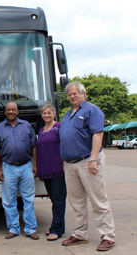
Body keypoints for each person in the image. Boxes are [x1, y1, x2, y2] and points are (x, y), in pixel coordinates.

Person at [59, 82, 116, 251]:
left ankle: (108, 236)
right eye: (69, 94)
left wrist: (93, 159)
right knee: (76, 202)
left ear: (83, 93)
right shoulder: (67, 114)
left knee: (98, 200)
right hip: (70, 164)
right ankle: (80, 234)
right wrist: (65, 161)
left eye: (75, 93)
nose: (72, 96)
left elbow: (98, 134)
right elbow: (66, 139)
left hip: (87, 161)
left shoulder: (92, 110)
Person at [0, 102, 39, 240]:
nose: (11, 112)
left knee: (28, 199)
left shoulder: (27, 125)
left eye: (13, 110)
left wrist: (35, 165)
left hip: (26, 167)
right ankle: (13, 229)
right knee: (9, 201)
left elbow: (34, 146)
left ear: (17, 112)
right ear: (5, 112)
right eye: (8, 110)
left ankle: (30, 229)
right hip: (8, 168)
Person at [34, 104, 66, 241]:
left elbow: (65, 144)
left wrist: (65, 163)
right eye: (44, 113)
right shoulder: (41, 130)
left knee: (59, 200)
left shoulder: (59, 127)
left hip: (58, 169)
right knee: (54, 199)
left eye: (49, 113)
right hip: (46, 170)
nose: (47, 115)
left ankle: (56, 229)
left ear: (54, 113)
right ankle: (58, 226)